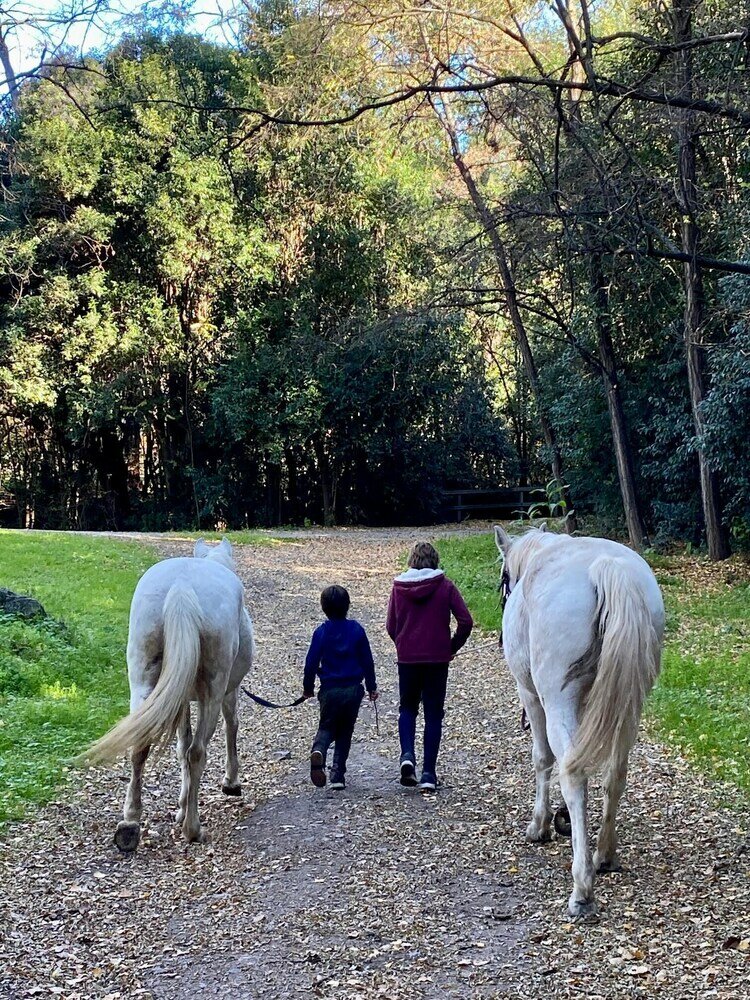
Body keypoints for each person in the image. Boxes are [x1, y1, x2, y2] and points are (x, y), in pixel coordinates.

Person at [386, 541, 473, 791]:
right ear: (435, 561)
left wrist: (403, 644)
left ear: (411, 561)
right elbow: (465, 621)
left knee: (408, 708)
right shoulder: (444, 586)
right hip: (437, 660)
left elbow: (391, 625)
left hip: (408, 659)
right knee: (434, 714)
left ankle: (407, 756)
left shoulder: (398, 588)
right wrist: (451, 647)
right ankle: (428, 774)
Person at [303, 585, 378, 790]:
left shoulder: (321, 632)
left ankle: (319, 750)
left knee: (326, 726)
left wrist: (308, 687)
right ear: (348, 606)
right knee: (345, 730)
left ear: (323, 608)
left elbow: (310, 663)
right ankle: (338, 774)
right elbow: (367, 661)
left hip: (330, 690)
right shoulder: (357, 630)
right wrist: (371, 686)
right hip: (353, 690)